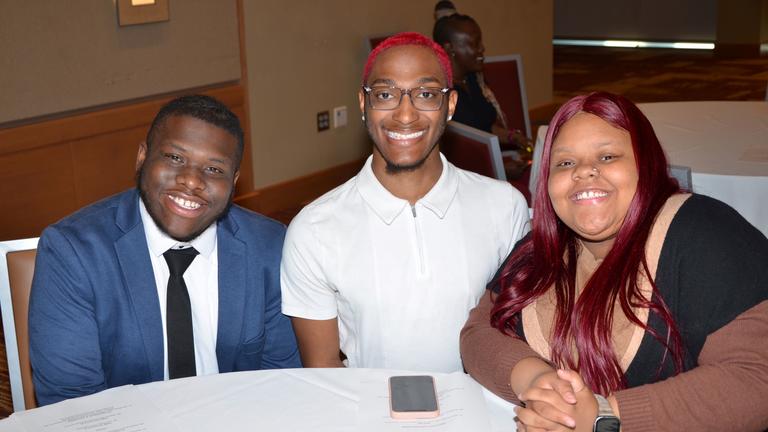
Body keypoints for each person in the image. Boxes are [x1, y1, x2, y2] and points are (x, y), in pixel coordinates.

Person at [460, 92, 768, 431]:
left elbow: (756, 378)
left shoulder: (704, 233)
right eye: (564, 163)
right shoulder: (541, 248)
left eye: (607, 156)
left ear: (645, 164)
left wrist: (604, 417)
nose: (584, 172)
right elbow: (478, 332)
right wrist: (536, 379)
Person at [280, 32, 530, 373]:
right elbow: (324, 366)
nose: (405, 114)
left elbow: (519, 335)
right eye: (385, 94)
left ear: (450, 105)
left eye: (426, 94)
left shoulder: (505, 208)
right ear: (363, 104)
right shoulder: (315, 228)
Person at [29, 95, 301, 406]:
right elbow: (74, 406)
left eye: (214, 169)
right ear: (143, 157)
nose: (191, 181)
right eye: (174, 158)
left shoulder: (268, 246)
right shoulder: (74, 253)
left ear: (234, 181)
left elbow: (282, 380)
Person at [433, 13, 529, 154]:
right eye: (474, 43)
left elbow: (484, 128)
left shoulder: (473, 79)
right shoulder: (439, 94)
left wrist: (512, 137)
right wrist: (496, 169)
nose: (482, 48)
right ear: (450, 49)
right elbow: (451, 154)